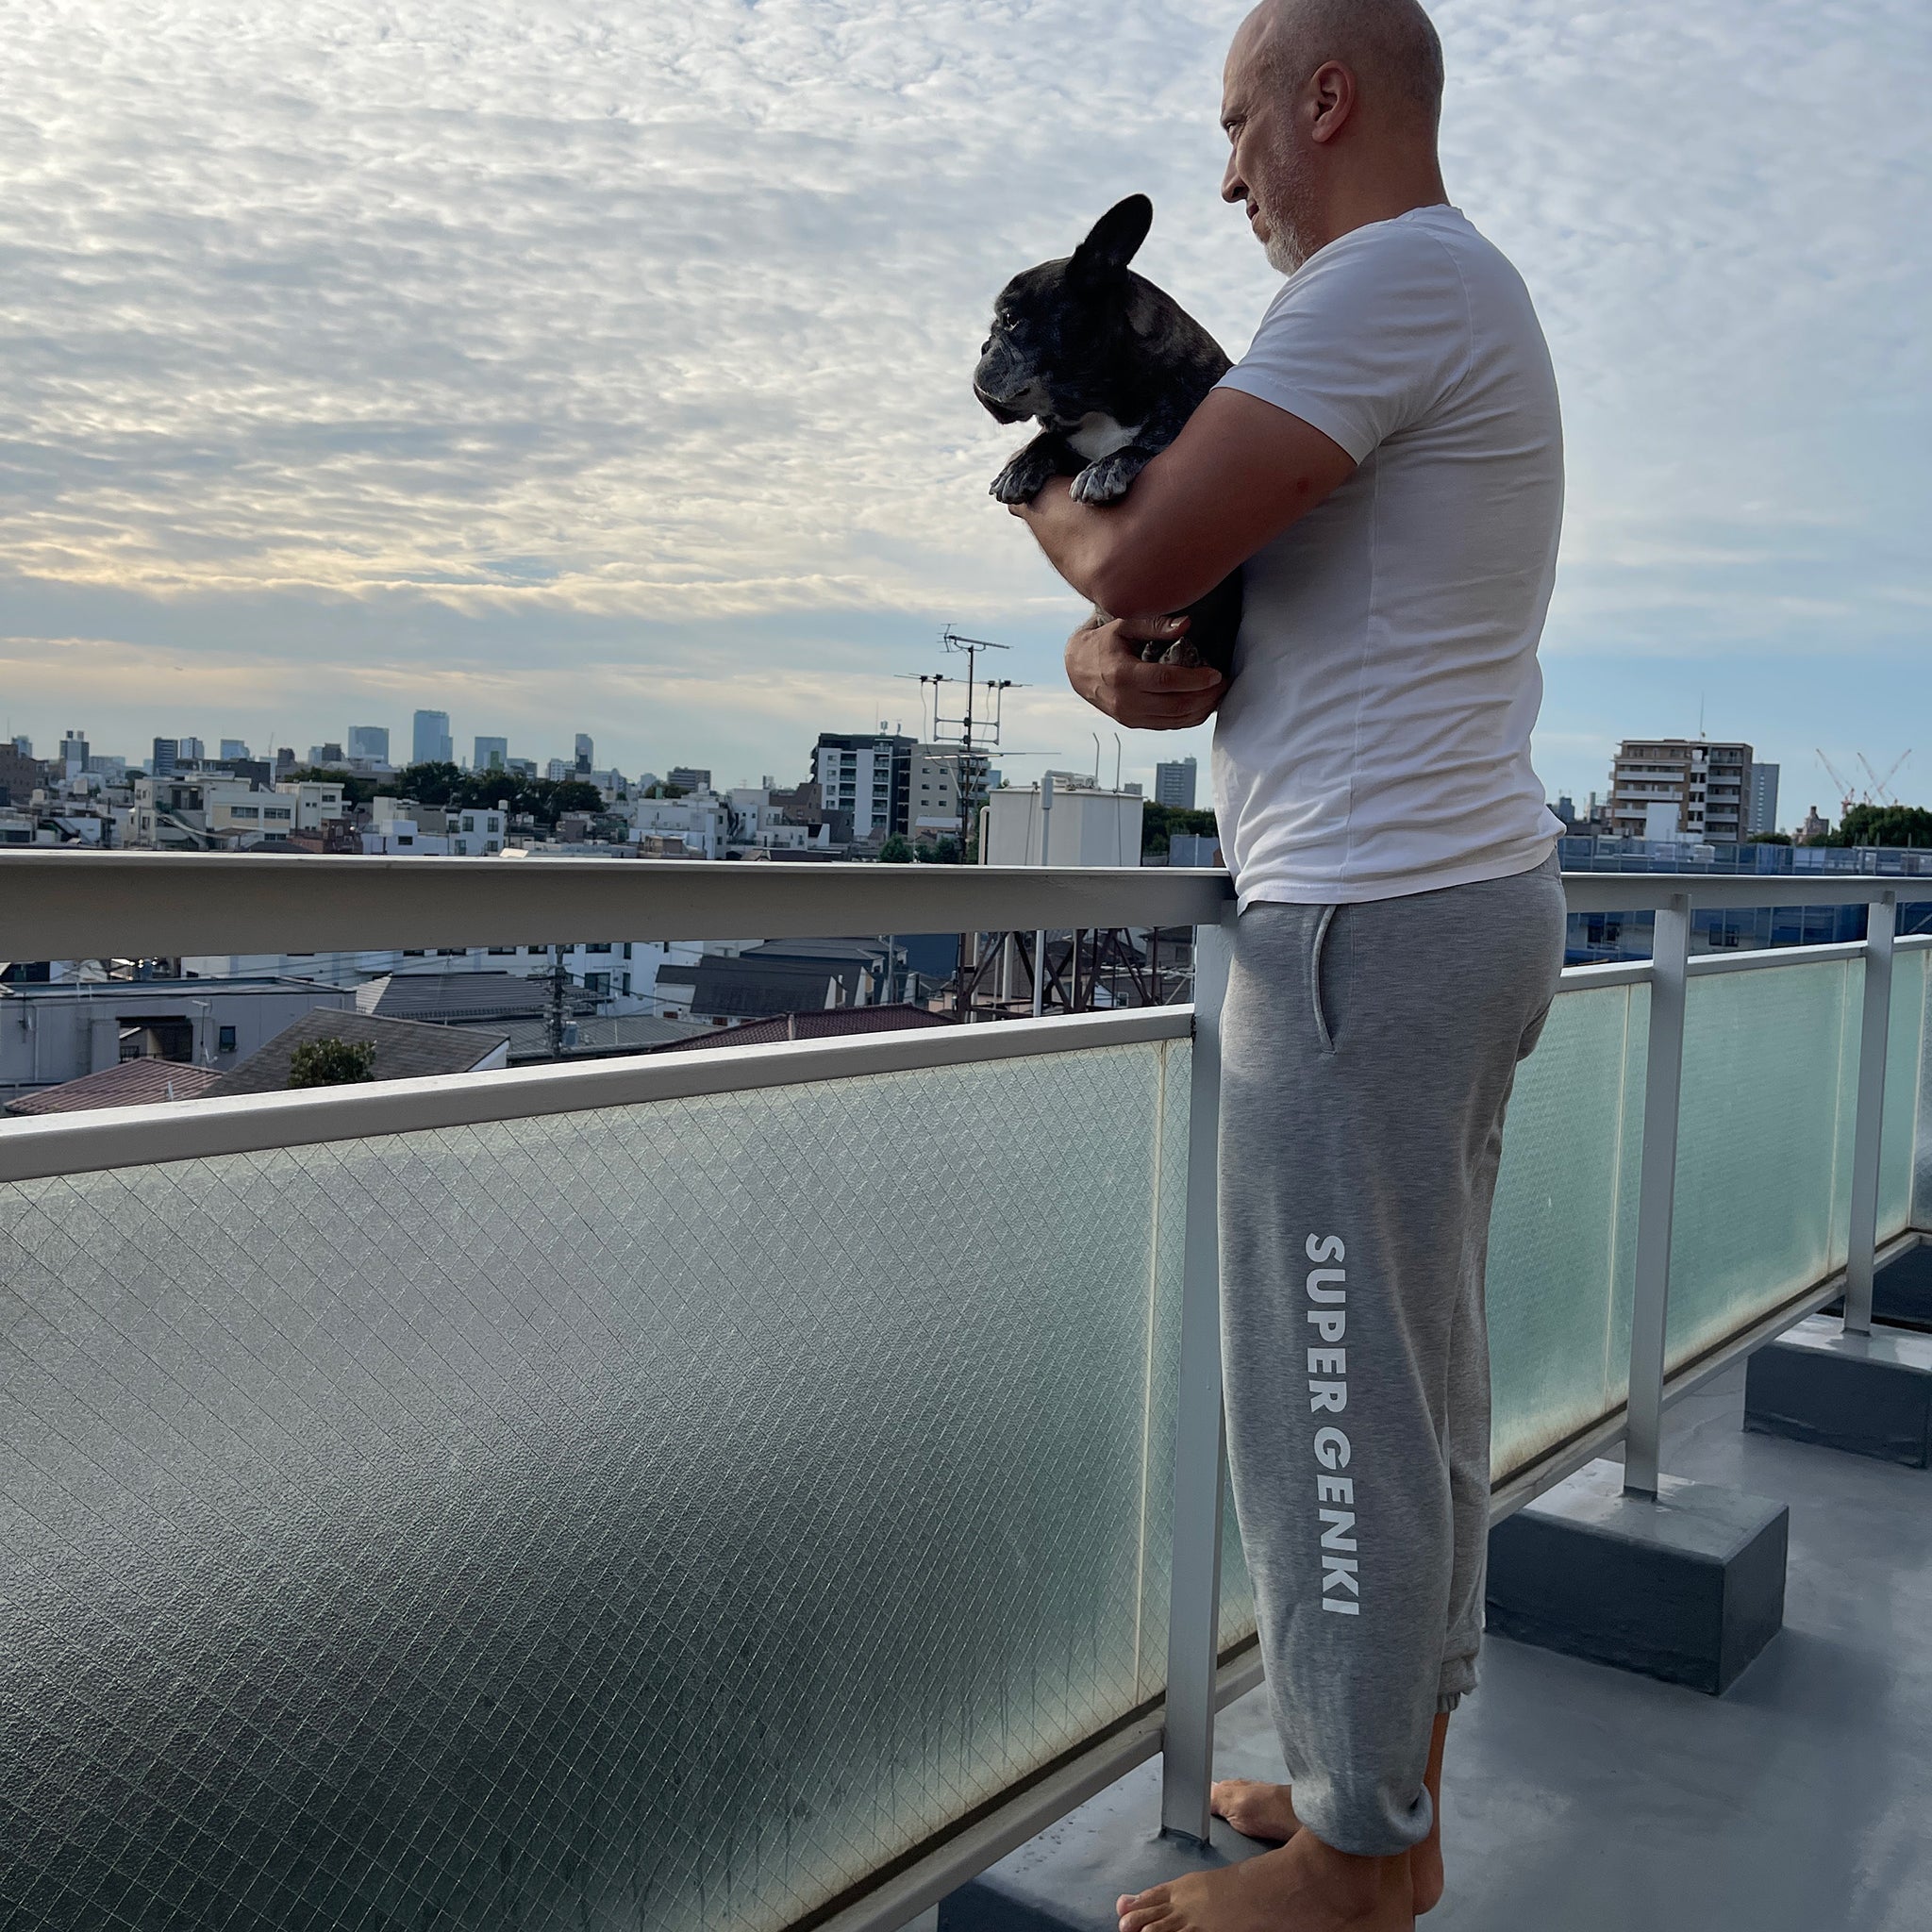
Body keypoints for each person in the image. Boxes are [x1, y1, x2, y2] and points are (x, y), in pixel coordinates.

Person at [1008, 1, 1568, 1925]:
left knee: (1325, 1387)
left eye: (1238, 123)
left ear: (1327, 99)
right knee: (1408, 1386)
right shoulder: (1428, 304)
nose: (1226, 170)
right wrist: (1105, 648)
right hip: (1437, 900)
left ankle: (1353, 1864)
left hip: (1369, 923)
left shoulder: (1383, 286)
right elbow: (1171, 630)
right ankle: (1376, 1784)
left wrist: (1038, 509)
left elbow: (1135, 538)